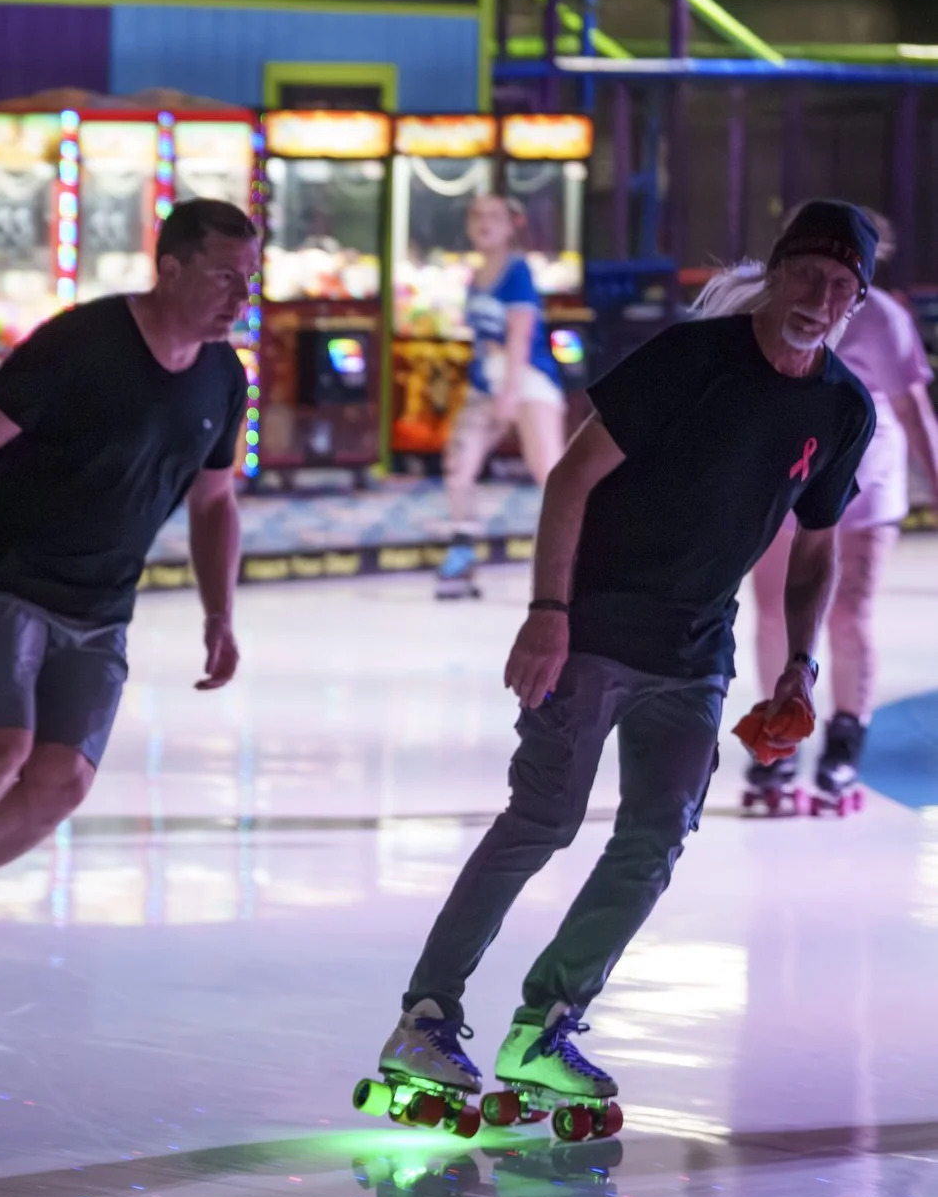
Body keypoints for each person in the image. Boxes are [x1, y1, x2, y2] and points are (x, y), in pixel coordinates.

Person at [372, 201, 878, 1136]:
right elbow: (570, 479)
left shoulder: (841, 407)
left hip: (696, 650)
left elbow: (814, 550)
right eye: (809, 276)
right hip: (594, 627)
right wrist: (547, 614)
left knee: (657, 837)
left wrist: (800, 666)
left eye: (843, 289)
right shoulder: (690, 361)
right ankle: (427, 1017)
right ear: (776, 270)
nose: (821, 299)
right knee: (545, 818)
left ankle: (546, 1024)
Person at [0, 197, 255, 1033]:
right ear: (172, 266)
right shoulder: (81, 344)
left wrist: (220, 612)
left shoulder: (225, 377)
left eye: (248, 279)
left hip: (101, 604)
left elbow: (215, 501)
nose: (239, 296)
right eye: (224, 276)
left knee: (60, 784)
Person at [736, 208, 938, 814]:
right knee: (774, 613)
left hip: (865, 478)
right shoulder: (763, 306)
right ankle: (780, 737)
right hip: (785, 477)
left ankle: (845, 739)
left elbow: (911, 411)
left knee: (847, 612)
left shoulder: (884, 319)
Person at [441, 194, 569, 544]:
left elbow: (520, 335)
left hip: (527, 378)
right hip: (486, 381)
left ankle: (578, 550)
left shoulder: (518, 271)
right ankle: (462, 546)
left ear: (510, 226)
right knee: (459, 464)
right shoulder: (474, 276)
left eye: (494, 217)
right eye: (478, 216)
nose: (484, 224)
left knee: (549, 469)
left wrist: (510, 394)